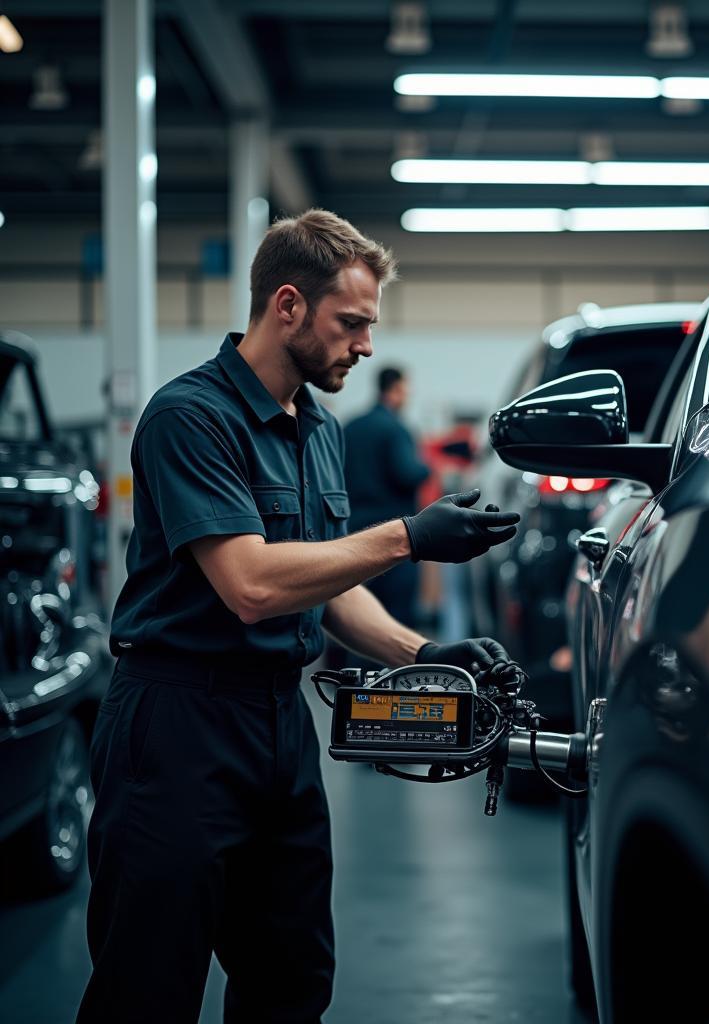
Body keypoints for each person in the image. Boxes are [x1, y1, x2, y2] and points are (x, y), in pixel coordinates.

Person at [77, 209, 519, 1024]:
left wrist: (424, 651)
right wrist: (407, 539)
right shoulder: (191, 418)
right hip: (178, 725)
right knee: (147, 989)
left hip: (278, 727)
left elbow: (319, 578)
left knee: (291, 982)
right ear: (287, 306)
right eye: (350, 323)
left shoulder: (316, 429)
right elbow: (250, 583)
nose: (366, 345)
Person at [344, 366, 430, 629]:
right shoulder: (395, 428)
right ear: (395, 390)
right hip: (392, 531)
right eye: (405, 391)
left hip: (352, 530)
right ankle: (394, 669)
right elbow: (407, 473)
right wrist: (427, 468)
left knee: (355, 613)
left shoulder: (350, 426)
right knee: (395, 615)